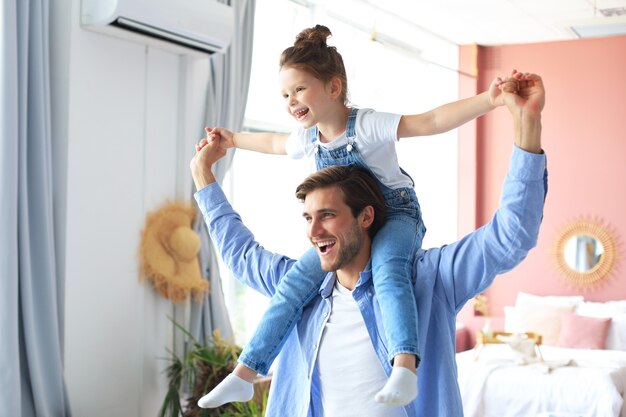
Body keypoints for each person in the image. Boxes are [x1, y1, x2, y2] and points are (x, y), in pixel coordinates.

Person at [196, 24, 520, 408]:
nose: (290, 101)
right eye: (285, 93)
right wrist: (232, 141)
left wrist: (490, 99)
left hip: (396, 216)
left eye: (299, 89)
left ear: (334, 88)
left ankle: (403, 364)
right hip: (353, 229)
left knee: (388, 271)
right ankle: (246, 372)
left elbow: (430, 121)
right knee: (292, 287)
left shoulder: (365, 125)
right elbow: (270, 142)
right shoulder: (306, 138)